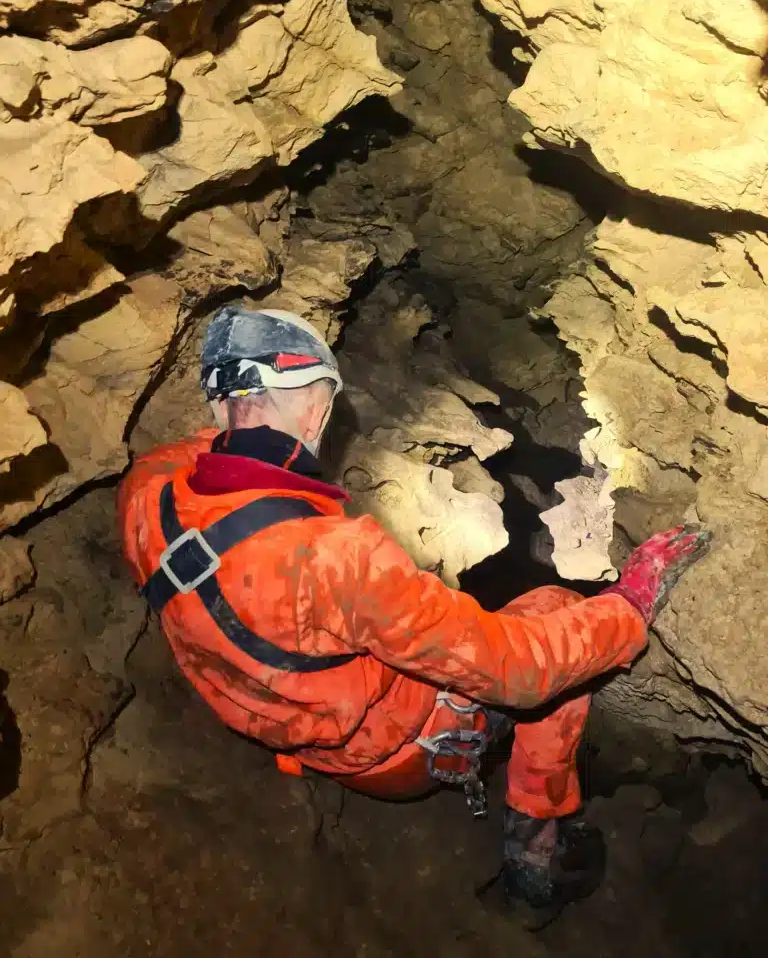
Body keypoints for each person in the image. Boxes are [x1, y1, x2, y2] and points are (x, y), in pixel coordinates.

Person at [117, 306, 711, 919]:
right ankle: (534, 848)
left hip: (298, 730)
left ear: (220, 404)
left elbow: (218, 453)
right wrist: (630, 603)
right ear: (318, 408)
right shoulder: (337, 557)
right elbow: (520, 671)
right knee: (557, 611)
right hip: (398, 756)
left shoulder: (149, 489)